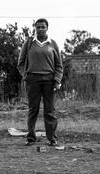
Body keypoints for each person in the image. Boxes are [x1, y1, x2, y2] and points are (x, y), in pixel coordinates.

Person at [18, 18, 63, 146]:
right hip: (33, 81)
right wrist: (26, 76)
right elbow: (20, 64)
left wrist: (57, 80)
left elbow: (59, 66)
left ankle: (52, 139)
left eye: (43, 27)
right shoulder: (29, 43)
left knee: (50, 111)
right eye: (38, 27)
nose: (40, 29)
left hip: (49, 81)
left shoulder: (53, 44)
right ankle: (31, 138)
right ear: (35, 28)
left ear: (47, 28)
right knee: (33, 109)